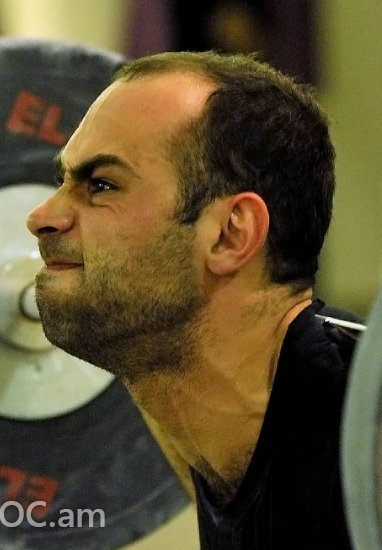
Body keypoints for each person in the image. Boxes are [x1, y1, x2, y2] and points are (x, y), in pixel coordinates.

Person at [26, 50, 358, 549]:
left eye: (101, 185)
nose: (41, 217)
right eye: (63, 181)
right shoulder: (210, 441)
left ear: (229, 234)